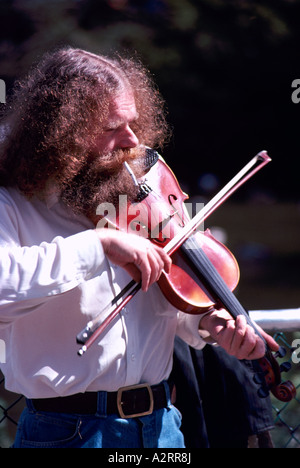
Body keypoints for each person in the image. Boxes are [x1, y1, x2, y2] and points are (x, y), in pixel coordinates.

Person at [0, 47, 279, 448]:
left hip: (162, 427)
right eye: (113, 126)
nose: (132, 139)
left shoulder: (138, 196)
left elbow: (171, 295)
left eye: (133, 123)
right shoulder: (12, 202)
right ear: (63, 129)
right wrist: (98, 245)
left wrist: (207, 324)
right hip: (67, 433)